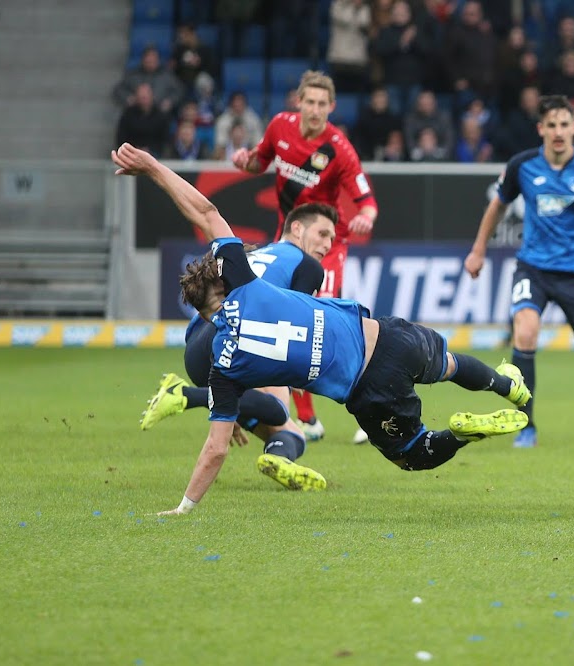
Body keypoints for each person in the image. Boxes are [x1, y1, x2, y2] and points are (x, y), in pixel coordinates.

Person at [112, 143, 532, 516]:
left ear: (204, 315)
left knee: (412, 454)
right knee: (450, 364)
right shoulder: (245, 279)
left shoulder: (223, 366)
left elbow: (216, 449)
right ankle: (506, 384)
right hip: (387, 337)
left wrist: (184, 506)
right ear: (225, 278)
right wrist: (152, 167)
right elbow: (206, 211)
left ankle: (459, 433)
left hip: (368, 390)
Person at [464, 95, 574, 448]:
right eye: (551, 125)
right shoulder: (522, 165)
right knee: (525, 333)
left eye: (564, 124)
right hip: (534, 270)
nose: (558, 132)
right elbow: (497, 206)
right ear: (541, 129)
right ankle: (526, 424)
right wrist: (478, 250)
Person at [139, 201, 337, 491]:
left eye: (332, 238)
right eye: (322, 234)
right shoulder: (307, 266)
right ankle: (185, 395)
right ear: (296, 228)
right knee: (277, 410)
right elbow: (295, 322)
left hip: (197, 346)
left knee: (290, 433)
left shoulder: (254, 253)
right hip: (235, 337)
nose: (328, 244)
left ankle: (278, 457)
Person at [233, 70, 379, 443]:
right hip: (287, 243)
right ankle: (307, 418)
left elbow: (366, 200)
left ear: (332, 107)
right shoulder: (279, 127)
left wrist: (365, 216)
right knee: (280, 321)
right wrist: (245, 159)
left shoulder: (339, 148)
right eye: (309, 102)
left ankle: (372, 409)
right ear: (298, 102)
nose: (315, 110)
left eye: (322, 104)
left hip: (325, 245)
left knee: (327, 321)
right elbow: (259, 161)